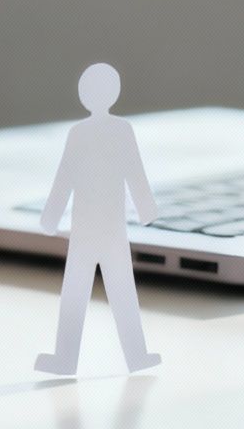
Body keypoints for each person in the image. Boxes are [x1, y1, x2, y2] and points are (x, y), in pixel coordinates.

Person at [34, 63, 162, 375]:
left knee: (78, 292)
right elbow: (134, 173)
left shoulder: (80, 133)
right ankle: (135, 356)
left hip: (88, 229)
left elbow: (64, 179)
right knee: (119, 290)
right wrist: (146, 210)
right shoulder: (120, 130)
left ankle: (67, 359)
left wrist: (51, 217)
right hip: (107, 228)